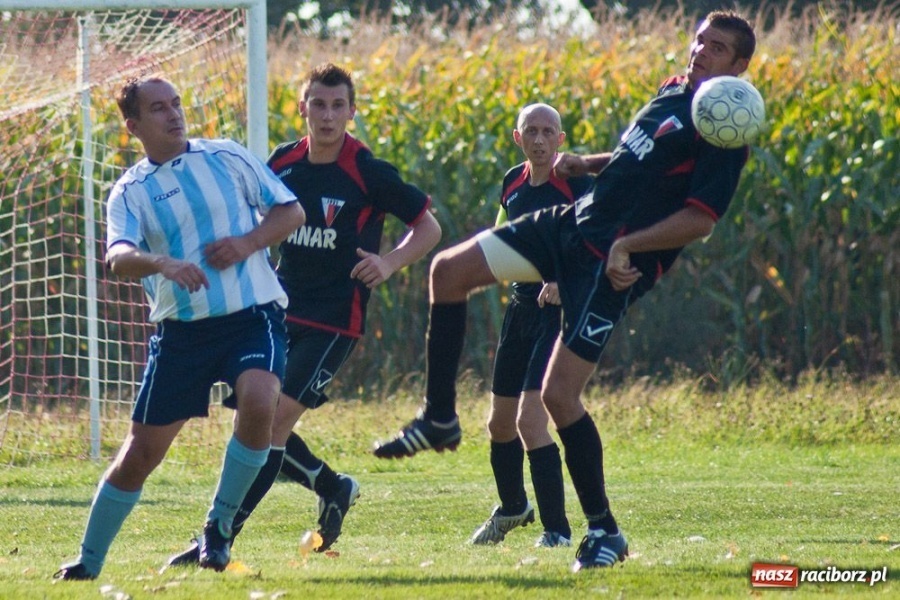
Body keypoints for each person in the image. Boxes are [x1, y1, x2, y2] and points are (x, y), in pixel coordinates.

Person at [374, 10, 756, 572]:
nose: (700, 51)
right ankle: (438, 418)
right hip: (571, 224)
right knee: (447, 272)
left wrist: (631, 247)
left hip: (608, 268)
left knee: (558, 399)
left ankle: (605, 533)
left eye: (717, 48)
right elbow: (640, 164)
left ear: (740, 65)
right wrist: (590, 162)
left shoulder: (726, 125)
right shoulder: (675, 89)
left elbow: (699, 219)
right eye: (699, 40)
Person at [165, 62, 441, 568]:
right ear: (302, 108)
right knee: (259, 420)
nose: (329, 115)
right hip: (278, 310)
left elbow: (428, 226)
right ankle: (332, 486)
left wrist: (389, 261)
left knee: (269, 424)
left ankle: (217, 536)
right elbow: (262, 218)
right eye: (319, 103)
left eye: (339, 105)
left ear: (352, 111)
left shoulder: (368, 170)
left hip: (336, 319)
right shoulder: (283, 162)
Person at [54, 75, 304, 580]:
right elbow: (119, 256)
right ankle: (89, 560)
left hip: (251, 316)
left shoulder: (226, 155)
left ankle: (219, 528)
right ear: (133, 126)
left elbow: (290, 210)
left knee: (260, 400)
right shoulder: (131, 191)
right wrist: (162, 264)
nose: (173, 114)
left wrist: (249, 242)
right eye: (158, 108)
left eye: (176, 103)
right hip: (182, 333)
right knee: (140, 455)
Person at [469, 103, 592, 549]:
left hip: (559, 315)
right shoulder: (512, 183)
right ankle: (513, 507)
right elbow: (503, 237)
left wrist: (562, 278)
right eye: (532, 132)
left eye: (549, 132)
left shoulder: (575, 182)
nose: (540, 140)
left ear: (560, 139)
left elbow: (600, 239)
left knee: (530, 421)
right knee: (499, 425)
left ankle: (557, 531)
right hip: (521, 309)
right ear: (518, 138)